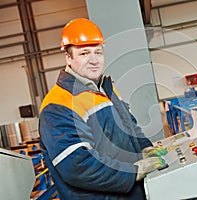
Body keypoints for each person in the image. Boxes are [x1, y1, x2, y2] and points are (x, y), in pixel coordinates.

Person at [39, 18, 167, 200]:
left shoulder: (106, 89)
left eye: (98, 52)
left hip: (132, 193)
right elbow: (77, 166)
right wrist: (133, 172)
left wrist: (146, 148)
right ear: (68, 57)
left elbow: (129, 124)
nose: (94, 60)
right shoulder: (57, 106)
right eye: (84, 54)